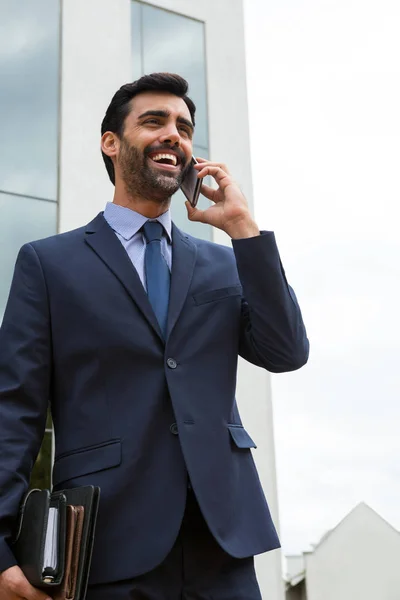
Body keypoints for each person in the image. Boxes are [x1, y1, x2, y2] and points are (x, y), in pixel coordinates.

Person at [0, 72, 309, 599]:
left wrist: (243, 230)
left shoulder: (224, 261)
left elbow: (286, 352)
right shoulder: (48, 265)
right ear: (111, 143)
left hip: (224, 544)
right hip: (106, 544)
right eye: (154, 121)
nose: (175, 135)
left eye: (185, 128)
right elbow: (14, 412)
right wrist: (1, 553)